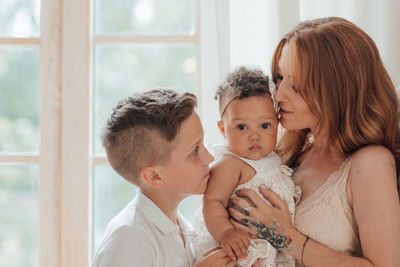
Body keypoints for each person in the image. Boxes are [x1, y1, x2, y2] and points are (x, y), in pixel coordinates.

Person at [228, 17, 400, 267]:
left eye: (295, 85)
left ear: (337, 89)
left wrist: (285, 237)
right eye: (279, 77)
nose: (278, 94)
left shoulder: (370, 163)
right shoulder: (285, 153)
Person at [91, 89, 236, 267]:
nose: (210, 158)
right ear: (155, 176)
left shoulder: (182, 228)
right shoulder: (130, 237)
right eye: (195, 151)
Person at [193, 67, 301, 267]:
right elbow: (213, 201)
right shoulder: (229, 163)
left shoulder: (273, 158)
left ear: (278, 124)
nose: (254, 136)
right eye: (242, 127)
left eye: (265, 126)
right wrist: (226, 233)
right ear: (223, 129)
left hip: (274, 246)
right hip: (243, 247)